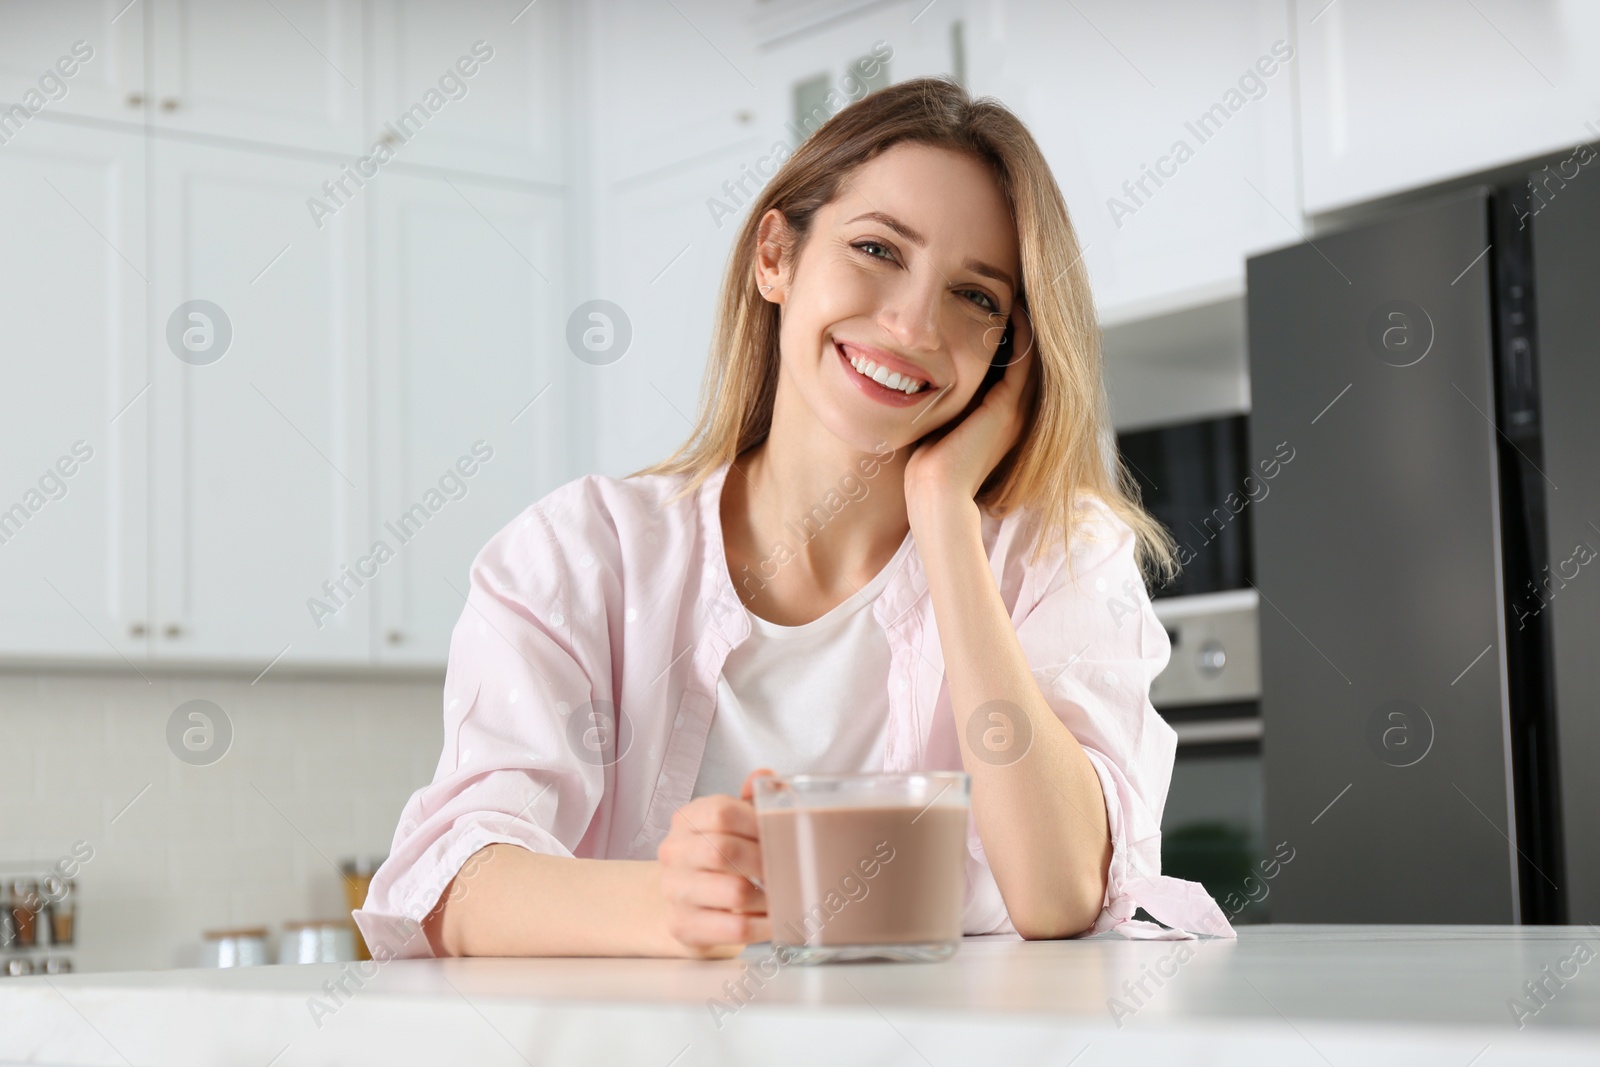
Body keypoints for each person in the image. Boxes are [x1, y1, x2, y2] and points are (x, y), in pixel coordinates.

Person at [353, 76, 1232, 961]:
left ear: (1009, 354)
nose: (913, 323)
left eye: (977, 297)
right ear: (775, 255)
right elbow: (454, 881)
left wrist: (946, 521)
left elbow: (1061, 891)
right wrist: (673, 902)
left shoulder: (1060, 557)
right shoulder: (583, 555)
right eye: (879, 249)